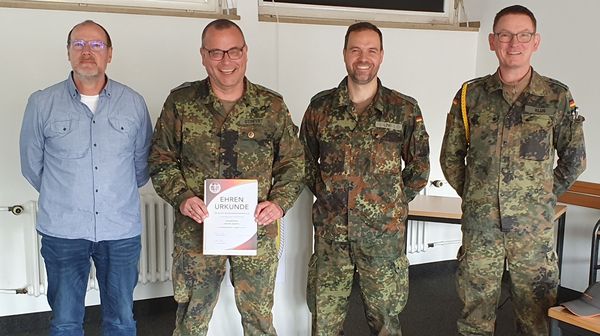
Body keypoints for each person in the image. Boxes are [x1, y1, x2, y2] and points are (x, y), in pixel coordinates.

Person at [148, 19, 304, 335]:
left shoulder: (270, 106)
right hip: (197, 230)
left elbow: (294, 163)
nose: (226, 61)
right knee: (192, 317)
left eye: (233, 51)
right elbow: (160, 160)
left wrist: (278, 203)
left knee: (259, 317)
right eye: (216, 53)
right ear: (203, 55)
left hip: (256, 228)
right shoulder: (181, 103)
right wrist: (182, 197)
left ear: (245, 53)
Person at [440, 5, 586, 336]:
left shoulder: (556, 96)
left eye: (523, 35)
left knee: (536, 318)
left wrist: (541, 198)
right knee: (474, 316)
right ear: (493, 41)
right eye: (505, 35)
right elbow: (451, 157)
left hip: (532, 232)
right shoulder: (470, 95)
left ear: (536, 42)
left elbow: (575, 158)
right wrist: (479, 195)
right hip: (481, 230)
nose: (513, 43)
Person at [19, 20, 152, 336]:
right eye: (78, 44)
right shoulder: (42, 103)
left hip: (120, 231)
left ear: (109, 53)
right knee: (65, 322)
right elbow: (31, 165)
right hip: (63, 231)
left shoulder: (133, 102)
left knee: (121, 320)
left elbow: (141, 164)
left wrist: (111, 195)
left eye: (96, 45)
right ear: (68, 52)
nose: (87, 52)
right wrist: (66, 195)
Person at [300, 22, 430, 335]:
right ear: (345, 54)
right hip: (333, 236)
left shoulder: (403, 109)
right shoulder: (321, 107)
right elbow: (302, 159)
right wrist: (329, 195)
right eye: (355, 49)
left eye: (371, 50)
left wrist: (390, 201)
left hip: (383, 237)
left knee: (386, 322)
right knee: (325, 323)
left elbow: (419, 165)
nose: (363, 57)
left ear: (381, 56)